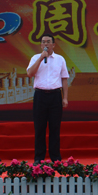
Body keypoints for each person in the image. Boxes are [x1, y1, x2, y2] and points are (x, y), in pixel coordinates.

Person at [27, 34, 69, 164]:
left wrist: (65, 98)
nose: (46, 44)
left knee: (55, 128)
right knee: (39, 128)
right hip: (40, 96)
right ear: (41, 45)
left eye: (48, 42)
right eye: (43, 42)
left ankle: (55, 158)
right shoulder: (35, 58)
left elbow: (64, 79)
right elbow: (30, 73)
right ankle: (39, 158)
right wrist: (41, 58)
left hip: (55, 95)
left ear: (53, 45)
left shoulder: (60, 59)